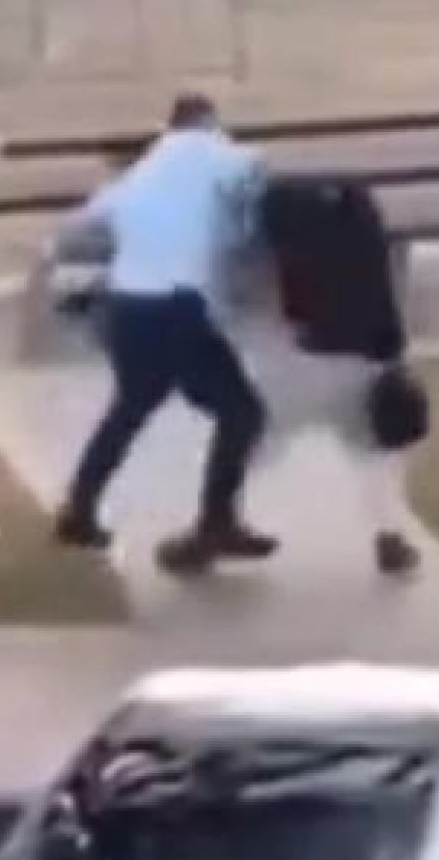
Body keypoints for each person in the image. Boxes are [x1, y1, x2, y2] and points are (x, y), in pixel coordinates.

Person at [54, 92, 275, 571]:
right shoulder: (235, 159)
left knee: (131, 407)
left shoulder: (140, 172)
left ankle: (78, 509)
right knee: (243, 411)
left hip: (128, 308)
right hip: (180, 305)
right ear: (212, 123)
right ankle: (216, 522)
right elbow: (248, 226)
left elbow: (81, 223)